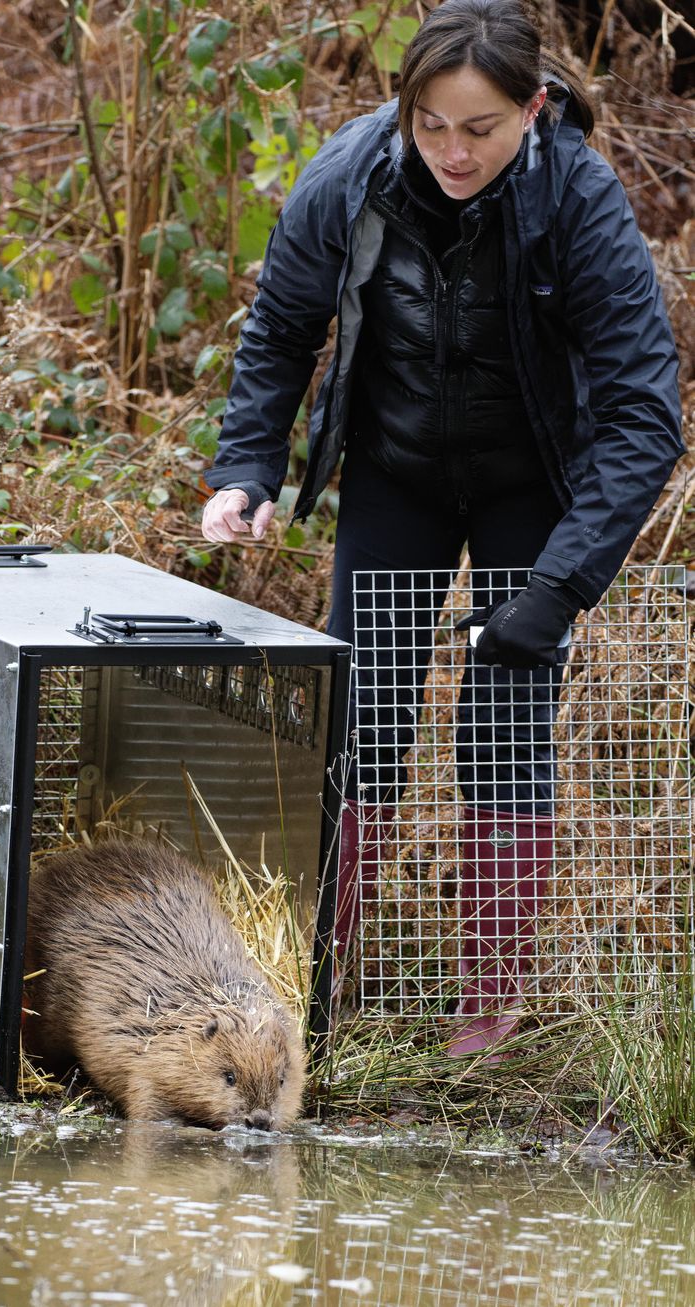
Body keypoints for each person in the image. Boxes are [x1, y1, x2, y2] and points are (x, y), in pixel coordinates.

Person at [200, 0, 683, 1056]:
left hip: (530, 479)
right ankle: (320, 991)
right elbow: (282, 325)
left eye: (480, 128)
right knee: (358, 722)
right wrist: (247, 465)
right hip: (395, 467)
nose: (451, 152)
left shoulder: (578, 199)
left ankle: (486, 1015)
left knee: (503, 731)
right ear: (403, 110)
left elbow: (646, 415)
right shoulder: (346, 180)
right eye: (430, 125)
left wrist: (555, 589)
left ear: (533, 110)